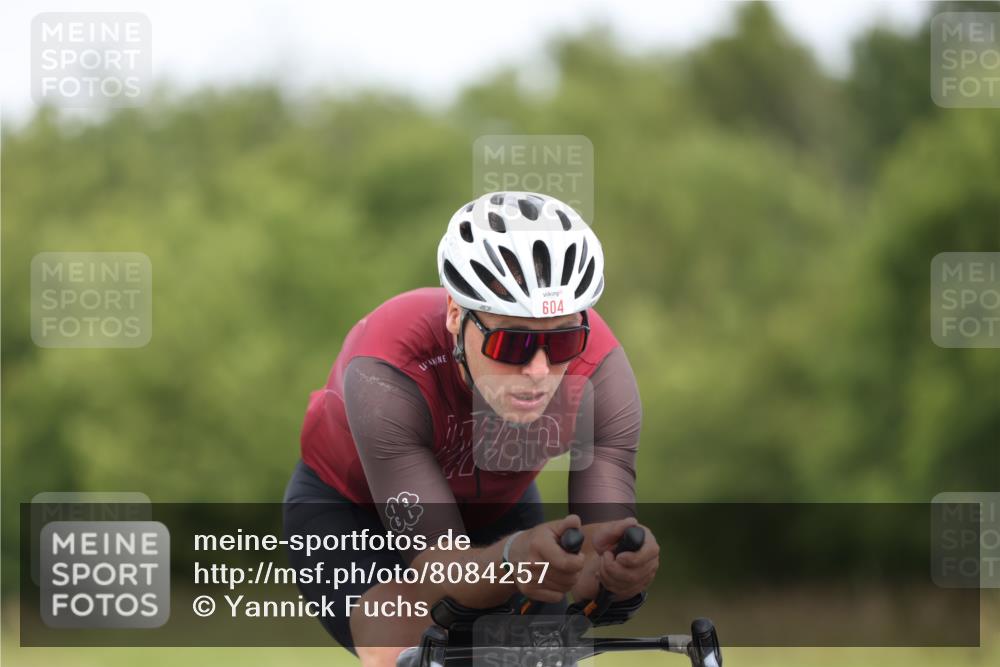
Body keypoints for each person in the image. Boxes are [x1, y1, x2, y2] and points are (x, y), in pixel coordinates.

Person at [283, 192, 659, 667]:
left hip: (498, 511)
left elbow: (595, 559)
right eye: (512, 342)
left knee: (539, 658)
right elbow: (440, 572)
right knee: (408, 653)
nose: (541, 370)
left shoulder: (600, 367)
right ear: (457, 317)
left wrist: (614, 570)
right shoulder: (387, 368)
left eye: (563, 339)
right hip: (351, 513)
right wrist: (511, 560)